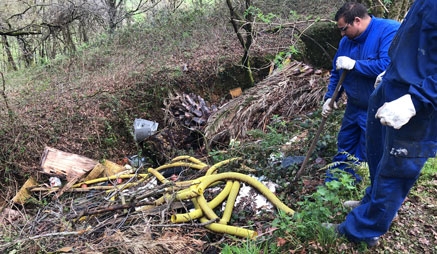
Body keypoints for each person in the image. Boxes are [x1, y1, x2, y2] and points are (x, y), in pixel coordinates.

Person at [334, 0, 437, 247]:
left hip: (419, 100)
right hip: (394, 83)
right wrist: (391, 71)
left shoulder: (383, 27)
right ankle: (372, 204)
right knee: (378, 155)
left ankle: (363, 231)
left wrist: (416, 100)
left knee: (396, 168)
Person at [322, 2, 400, 183]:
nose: (341, 34)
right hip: (354, 105)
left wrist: (356, 64)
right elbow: (337, 71)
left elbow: (387, 66)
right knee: (345, 143)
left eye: (344, 29)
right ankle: (334, 182)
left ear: (357, 21)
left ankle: (357, 185)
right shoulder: (346, 41)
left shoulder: (389, 31)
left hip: (376, 107)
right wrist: (330, 98)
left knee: (368, 150)